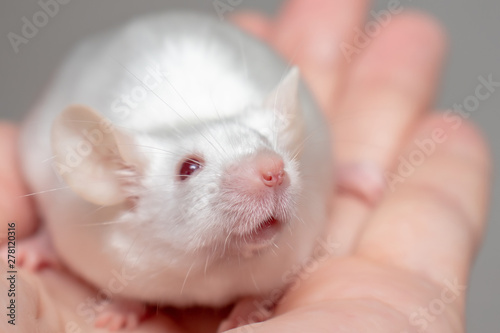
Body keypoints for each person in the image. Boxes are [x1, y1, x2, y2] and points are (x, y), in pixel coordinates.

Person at [0, 0, 491, 332]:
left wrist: (255, 299)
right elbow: (56, 159)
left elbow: (298, 158)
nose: (270, 170)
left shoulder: (290, 186)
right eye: (189, 168)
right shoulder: (89, 228)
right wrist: (55, 241)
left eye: (269, 146)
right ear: (112, 182)